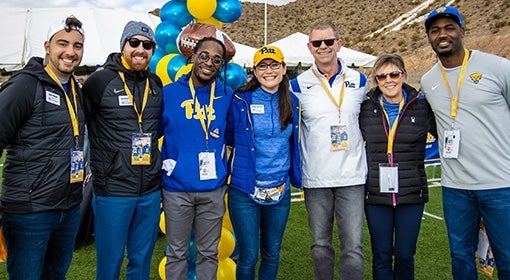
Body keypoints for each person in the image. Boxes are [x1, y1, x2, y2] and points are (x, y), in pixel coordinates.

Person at [421, 6, 510, 279]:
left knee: (506, 257)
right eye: (435, 30)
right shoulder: (428, 80)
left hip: (500, 184)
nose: (442, 35)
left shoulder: (498, 67)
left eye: (449, 28)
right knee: (461, 258)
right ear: (429, 38)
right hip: (455, 188)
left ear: (463, 31)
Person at [0, 16, 85, 279]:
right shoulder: (24, 85)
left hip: (69, 207)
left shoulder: (74, 89)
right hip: (30, 211)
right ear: (47, 46)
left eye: (77, 45)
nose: (70, 52)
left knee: (55, 274)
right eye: (63, 43)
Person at [81, 21, 163, 280]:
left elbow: (157, 127)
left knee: (141, 260)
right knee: (111, 261)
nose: (141, 49)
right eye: (134, 42)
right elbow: (78, 126)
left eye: (147, 45)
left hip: (150, 188)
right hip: (113, 190)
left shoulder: (156, 82)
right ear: (123, 45)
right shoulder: (99, 81)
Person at [289, 19, 368, 280]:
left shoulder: (360, 80)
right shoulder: (297, 85)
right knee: (321, 246)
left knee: (353, 247)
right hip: (317, 177)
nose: (323, 47)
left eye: (329, 41)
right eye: (317, 43)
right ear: (309, 47)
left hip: (353, 176)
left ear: (339, 44)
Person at [225, 45, 302, 280]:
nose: (269, 70)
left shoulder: (293, 101)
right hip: (245, 190)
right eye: (263, 66)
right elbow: (230, 136)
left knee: (272, 253)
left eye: (274, 64)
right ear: (255, 72)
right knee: (248, 255)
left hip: (279, 192)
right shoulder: (240, 100)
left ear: (283, 68)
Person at [160, 37, 233, 280]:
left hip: (212, 188)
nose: (208, 63)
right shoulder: (168, 94)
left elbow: (232, 135)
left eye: (216, 60)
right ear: (192, 56)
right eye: (204, 55)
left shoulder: (226, 95)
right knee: (177, 253)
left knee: (208, 253)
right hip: (176, 189)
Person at [359, 54, 437, 279]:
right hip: (376, 194)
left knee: (404, 254)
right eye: (382, 76)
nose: (388, 80)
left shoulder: (421, 107)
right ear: (376, 80)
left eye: (394, 74)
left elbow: (446, 131)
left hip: (411, 193)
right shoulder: (365, 109)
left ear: (403, 75)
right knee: (381, 254)